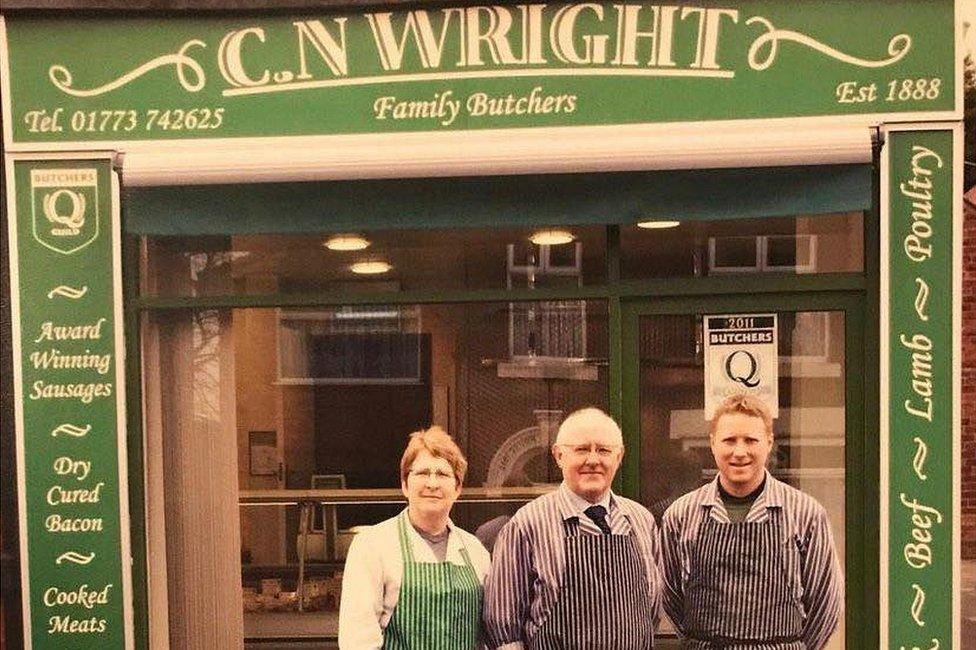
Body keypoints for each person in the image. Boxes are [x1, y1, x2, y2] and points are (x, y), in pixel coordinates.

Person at [661, 393, 843, 650]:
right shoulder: (681, 515)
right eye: (729, 440)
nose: (739, 451)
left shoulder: (806, 513)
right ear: (713, 443)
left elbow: (826, 604)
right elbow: (670, 598)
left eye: (750, 440)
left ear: (769, 443)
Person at [483, 407, 664, 649]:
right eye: (581, 449)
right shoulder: (526, 525)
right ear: (558, 456)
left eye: (603, 450)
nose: (593, 460)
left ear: (619, 457)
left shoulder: (641, 521)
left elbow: (651, 612)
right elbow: (504, 630)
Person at [339, 426, 490, 649]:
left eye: (442, 474)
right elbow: (357, 641)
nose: (432, 483)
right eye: (422, 473)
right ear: (404, 484)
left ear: (457, 488)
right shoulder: (372, 546)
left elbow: (487, 637)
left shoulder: (475, 551)